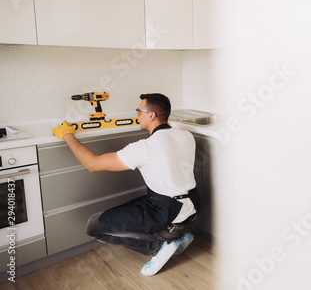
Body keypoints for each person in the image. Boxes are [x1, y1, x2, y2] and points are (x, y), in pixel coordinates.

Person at [52, 93, 201, 276]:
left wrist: (68, 135)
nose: (137, 115)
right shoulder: (186, 136)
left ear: (151, 115)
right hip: (192, 210)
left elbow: (92, 164)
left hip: (169, 215)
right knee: (138, 204)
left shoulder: (145, 147)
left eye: (139, 111)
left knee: (93, 225)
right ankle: (179, 237)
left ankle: (158, 246)